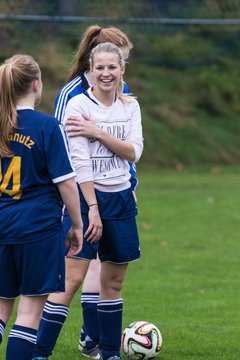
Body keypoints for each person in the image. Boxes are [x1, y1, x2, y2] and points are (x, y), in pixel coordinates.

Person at [33, 42, 143, 360]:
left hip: (122, 198)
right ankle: (40, 352)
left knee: (114, 279)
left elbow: (134, 152)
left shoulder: (130, 107)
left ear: (122, 69)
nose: (106, 73)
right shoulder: (77, 106)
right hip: (85, 201)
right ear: (90, 72)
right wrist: (92, 208)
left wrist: (96, 132)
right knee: (71, 279)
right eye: (100, 68)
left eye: (112, 67)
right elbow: (80, 164)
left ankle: (109, 353)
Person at [0, 54, 83, 360]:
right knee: (30, 310)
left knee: (1, 307)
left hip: (2, 226)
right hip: (38, 227)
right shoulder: (48, 127)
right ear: (37, 84)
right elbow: (66, 183)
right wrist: (76, 225)